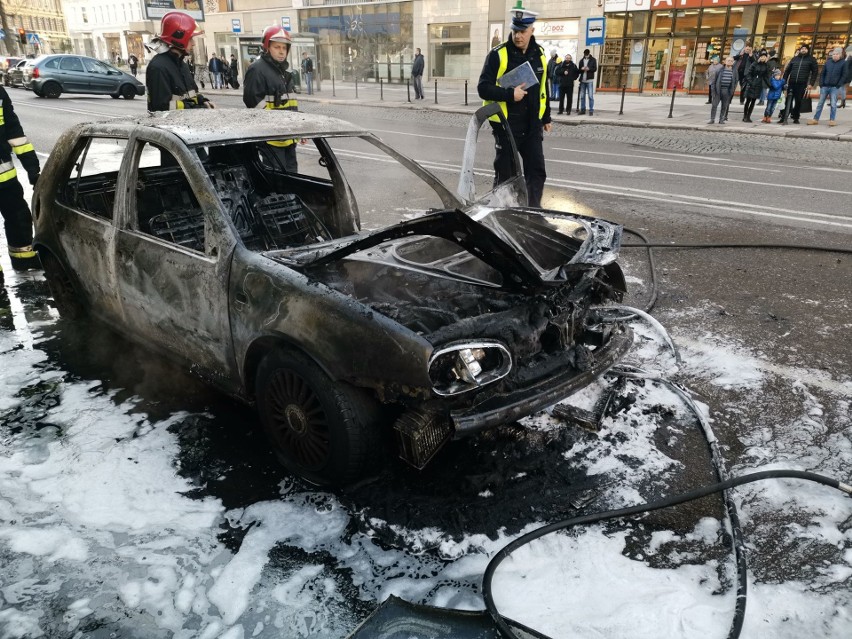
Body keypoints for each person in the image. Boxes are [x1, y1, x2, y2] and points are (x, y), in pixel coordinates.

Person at [477, 4, 551, 208]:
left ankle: (533, 213)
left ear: (532, 30)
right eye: (515, 30)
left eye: (523, 31)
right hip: (507, 126)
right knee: (505, 178)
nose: (518, 36)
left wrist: (546, 118)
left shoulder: (541, 54)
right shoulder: (498, 54)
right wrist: (510, 94)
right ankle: (501, 215)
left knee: (536, 173)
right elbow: (483, 88)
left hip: (532, 125)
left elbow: (543, 86)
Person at [243, 25, 300, 173]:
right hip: (271, 140)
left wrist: (299, 129)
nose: (282, 51)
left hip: (288, 137)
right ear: (267, 47)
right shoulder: (257, 69)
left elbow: (290, 103)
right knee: (276, 181)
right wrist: (277, 124)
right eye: (277, 47)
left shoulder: (284, 70)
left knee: (293, 178)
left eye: (284, 48)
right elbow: (252, 102)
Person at [0, 85, 40, 277]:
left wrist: (32, 169)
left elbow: (14, 133)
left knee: (19, 218)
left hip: (5, 178)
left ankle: (24, 259)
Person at [145, 11, 213, 111]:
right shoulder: (158, 67)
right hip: (169, 125)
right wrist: (198, 108)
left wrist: (204, 101)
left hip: (186, 123)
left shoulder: (182, 64)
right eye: (190, 39)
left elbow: (192, 93)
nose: (193, 44)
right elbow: (162, 106)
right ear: (179, 39)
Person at [808, 47, 847, 127]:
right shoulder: (828, 62)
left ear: (840, 55)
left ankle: (832, 120)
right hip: (825, 86)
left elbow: (844, 76)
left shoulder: (843, 63)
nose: (835, 55)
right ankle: (815, 119)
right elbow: (822, 73)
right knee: (820, 103)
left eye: (836, 54)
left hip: (834, 87)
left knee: (833, 104)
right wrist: (821, 84)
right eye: (833, 54)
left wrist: (838, 85)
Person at [782, 44, 818, 124]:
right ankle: (784, 117)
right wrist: (784, 80)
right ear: (800, 49)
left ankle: (796, 117)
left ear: (808, 50)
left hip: (802, 84)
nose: (803, 50)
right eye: (802, 48)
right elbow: (787, 70)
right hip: (792, 82)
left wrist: (811, 83)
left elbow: (815, 72)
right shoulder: (794, 59)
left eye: (805, 48)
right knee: (788, 100)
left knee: (798, 101)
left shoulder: (811, 59)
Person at [742, 50, 770, 122]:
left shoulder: (766, 66)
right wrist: (750, 81)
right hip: (751, 84)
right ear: (759, 57)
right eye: (762, 56)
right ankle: (745, 116)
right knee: (748, 101)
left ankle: (748, 116)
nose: (763, 58)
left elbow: (766, 76)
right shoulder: (755, 64)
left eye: (764, 57)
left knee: (753, 101)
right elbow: (748, 73)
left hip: (758, 84)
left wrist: (770, 85)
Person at [709, 56, 736, 125]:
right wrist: (714, 91)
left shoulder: (734, 71)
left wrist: (732, 91)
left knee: (724, 106)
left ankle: (721, 119)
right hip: (718, 90)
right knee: (714, 105)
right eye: (728, 60)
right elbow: (714, 81)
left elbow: (735, 82)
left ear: (733, 62)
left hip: (727, 91)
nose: (730, 62)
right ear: (725, 61)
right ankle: (712, 119)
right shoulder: (719, 70)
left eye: (731, 61)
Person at [577, 49, 597, 115]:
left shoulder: (593, 60)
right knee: (582, 96)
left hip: (589, 80)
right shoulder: (581, 60)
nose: (586, 55)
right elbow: (579, 70)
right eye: (585, 54)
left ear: (589, 53)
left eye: (587, 54)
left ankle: (591, 110)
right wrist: (581, 69)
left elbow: (595, 69)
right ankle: (583, 109)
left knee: (590, 96)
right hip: (583, 80)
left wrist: (589, 69)